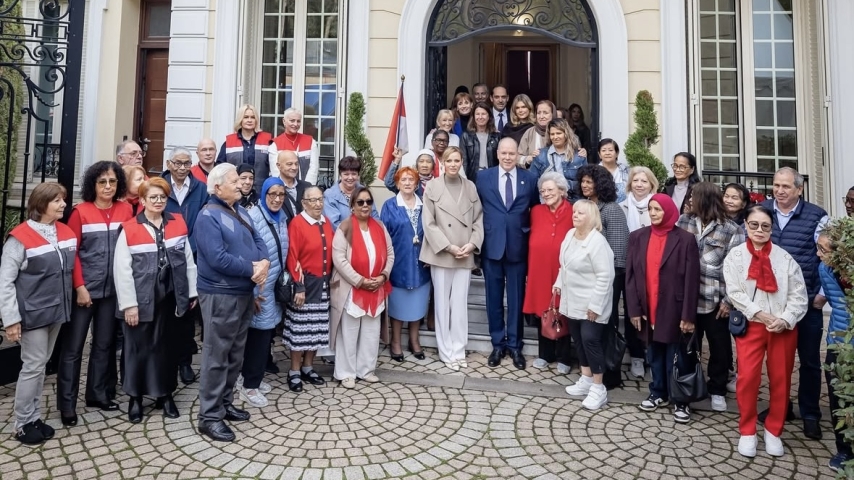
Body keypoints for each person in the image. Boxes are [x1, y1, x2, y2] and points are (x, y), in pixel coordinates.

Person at [724, 204, 808, 458]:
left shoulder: (784, 258)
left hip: (782, 328)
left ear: (772, 228)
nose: (759, 230)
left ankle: (774, 430)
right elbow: (734, 292)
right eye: (754, 225)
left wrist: (785, 319)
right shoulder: (736, 257)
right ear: (746, 226)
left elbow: (799, 295)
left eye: (765, 226)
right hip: (752, 325)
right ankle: (747, 430)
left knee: (781, 380)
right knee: (748, 379)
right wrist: (758, 313)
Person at [194, 163, 270, 443]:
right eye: (235, 181)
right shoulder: (207, 216)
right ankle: (209, 417)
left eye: (240, 180)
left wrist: (264, 262)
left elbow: (259, 240)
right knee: (217, 356)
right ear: (217, 188)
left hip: (242, 295)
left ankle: (224, 403)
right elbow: (217, 258)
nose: (241, 184)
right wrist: (252, 269)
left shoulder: (239, 211)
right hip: (220, 295)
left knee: (234, 354)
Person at [114, 178, 197, 423]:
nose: (158, 201)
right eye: (153, 197)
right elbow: (122, 270)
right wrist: (129, 304)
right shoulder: (129, 228)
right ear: (142, 201)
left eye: (162, 197)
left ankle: (165, 394)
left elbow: (188, 260)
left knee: (167, 348)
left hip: (171, 297)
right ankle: (135, 398)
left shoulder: (177, 223)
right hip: (141, 299)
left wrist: (191, 293)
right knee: (137, 349)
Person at [57, 161, 133, 427]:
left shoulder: (126, 209)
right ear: (93, 184)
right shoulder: (80, 212)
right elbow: (72, 252)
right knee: (73, 348)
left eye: (112, 181)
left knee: (104, 345)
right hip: (84, 290)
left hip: (112, 291)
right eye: (102, 182)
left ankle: (97, 394)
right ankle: (67, 404)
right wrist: (79, 286)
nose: (108, 187)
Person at [1, 183, 76, 444]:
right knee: (32, 366)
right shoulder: (19, 237)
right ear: (41, 203)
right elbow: (5, 282)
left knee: (40, 365)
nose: (63, 204)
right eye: (57, 200)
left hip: (56, 311)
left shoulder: (65, 232)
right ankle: (21, 423)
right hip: (32, 315)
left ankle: (33, 417)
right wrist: (11, 320)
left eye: (63, 199)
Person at [759, 167, 828, 440]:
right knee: (777, 361)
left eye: (786, 186)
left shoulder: (817, 216)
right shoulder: (762, 211)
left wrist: (822, 293)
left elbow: (827, 256)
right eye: (776, 185)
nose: (780, 190)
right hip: (773, 303)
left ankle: (810, 413)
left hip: (808, 302)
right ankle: (781, 407)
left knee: (809, 360)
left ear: (799, 189)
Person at [626, 194, 701, 423]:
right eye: (651, 209)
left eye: (658, 209)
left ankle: (680, 399)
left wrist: (688, 315)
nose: (654, 213)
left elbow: (691, 280)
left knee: (676, 355)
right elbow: (630, 276)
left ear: (668, 211)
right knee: (654, 352)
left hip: (674, 307)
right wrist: (634, 310)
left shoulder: (686, 239)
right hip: (648, 305)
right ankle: (658, 392)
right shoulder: (638, 237)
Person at [675, 182, 745, 412]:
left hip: (715, 301)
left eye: (694, 196)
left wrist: (728, 300)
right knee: (687, 346)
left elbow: (737, 269)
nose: (690, 200)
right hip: (686, 299)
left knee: (719, 348)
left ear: (705, 199)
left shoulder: (731, 230)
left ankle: (717, 389)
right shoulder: (683, 222)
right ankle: (689, 388)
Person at [476, 137, 539, 370]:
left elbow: (535, 209)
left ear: (517, 155)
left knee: (515, 299)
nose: (508, 157)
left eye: (512, 153)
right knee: (493, 299)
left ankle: (515, 346)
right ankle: (497, 344)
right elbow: (477, 208)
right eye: (504, 153)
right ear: (497, 154)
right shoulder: (483, 178)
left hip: (518, 246)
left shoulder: (530, 179)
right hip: (491, 246)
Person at [420, 147, 484, 370]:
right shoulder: (433, 186)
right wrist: (448, 247)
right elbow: (428, 223)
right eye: (450, 160)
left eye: (457, 160)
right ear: (443, 163)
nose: (454, 164)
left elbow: (478, 219)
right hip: (442, 253)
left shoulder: (470, 187)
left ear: (462, 162)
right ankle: (445, 350)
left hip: (464, 253)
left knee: (459, 304)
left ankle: (459, 348)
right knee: (442, 304)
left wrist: (473, 244)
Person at [330, 187, 394, 388]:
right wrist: (360, 280)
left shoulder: (380, 227)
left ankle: (366, 369)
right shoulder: (345, 227)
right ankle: (346, 372)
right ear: (352, 206)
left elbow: (390, 254)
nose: (365, 205)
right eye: (360, 202)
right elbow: (339, 259)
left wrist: (383, 276)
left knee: (371, 331)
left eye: (368, 202)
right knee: (349, 331)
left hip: (376, 287)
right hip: (352, 288)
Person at [555, 200, 615, 410]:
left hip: (591, 303)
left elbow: (606, 276)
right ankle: (586, 378)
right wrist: (557, 284)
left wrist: (596, 305)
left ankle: (599, 388)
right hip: (572, 300)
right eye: (574, 212)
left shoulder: (597, 242)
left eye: (581, 213)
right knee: (578, 340)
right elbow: (564, 265)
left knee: (590, 340)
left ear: (591, 217)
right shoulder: (570, 235)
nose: (575, 215)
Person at [238, 178, 289, 407]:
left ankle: (247, 377)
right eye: (272, 194)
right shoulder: (254, 218)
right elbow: (248, 255)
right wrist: (252, 291)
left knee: (263, 336)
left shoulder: (282, 217)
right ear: (264, 194)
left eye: (281, 195)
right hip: (260, 289)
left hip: (272, 287)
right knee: (258, 338)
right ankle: (250, 386)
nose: (277, 199)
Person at [577, 164, 630, 384]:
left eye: (590, 181)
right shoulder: (587, 207)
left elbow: (619, 252)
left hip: (609, 278)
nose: (585, 185)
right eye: (583, 181)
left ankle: (610, 374)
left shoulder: (611, 209)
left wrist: (610, 284)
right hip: (588, 279)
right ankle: (591, 372)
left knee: (606, 326)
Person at [162, 148, 210, 384]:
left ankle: (185, 362)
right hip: (163, 259)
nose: (182, 168)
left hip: (192, 256)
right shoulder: (159, 186)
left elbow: (205, 219)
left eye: (187, 163)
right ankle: (165, 361)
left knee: (188, 312)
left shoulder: (200, 188)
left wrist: (189, 246)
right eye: (178, 163)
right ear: (169, 164)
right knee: (166, 311)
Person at [283, 186, 334, 392]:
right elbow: (292, 256)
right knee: (300, 331)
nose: (317, 204)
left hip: (324, 285)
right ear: (303, 203)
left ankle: (308, 367)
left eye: (320, 199)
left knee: (316, 329)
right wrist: (299, 286)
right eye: (312, 200)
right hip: (305, 286)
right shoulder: (297, 223)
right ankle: (294, 371)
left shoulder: (326, 222)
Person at [523, 172, 574, 373]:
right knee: (542, 309)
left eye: (550, 190)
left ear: (562, 190)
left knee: (562, 311)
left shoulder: (573, 211)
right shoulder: (535, 211)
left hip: (563, 272)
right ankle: (545, 354)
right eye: (543, 191)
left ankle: (564, 357)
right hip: (539, 270)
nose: (546, 194)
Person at [381, 167, 431, 362]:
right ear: (398, 183)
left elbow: (432, 232)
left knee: (418, 304)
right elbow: (384, 235)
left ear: (417, 184)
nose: (408, 183)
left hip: (421, 262)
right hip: (398, 262)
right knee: (398, 305)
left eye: (411, 179)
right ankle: (395, 342)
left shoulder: (425, 205)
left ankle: (414, 340)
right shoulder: (389, 205)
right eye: (404, 179)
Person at [817, 231, 853, 472]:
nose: (818, 254)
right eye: (818, 248)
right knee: (838, 399)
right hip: (837, 344)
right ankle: (845, 450)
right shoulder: (824, 269)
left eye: (824, 250)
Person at [619, 166, 660, 375]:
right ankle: (636, 355)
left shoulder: (658, 206)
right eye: (636, 181)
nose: (639, 185)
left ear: (651, 184)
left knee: (654, 310)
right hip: (630, 266)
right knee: (631, 310)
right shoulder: (622, 207)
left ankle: (653, 355)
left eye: (644, 181)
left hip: (654, 267)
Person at [216, 104, 273, 193]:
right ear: (240, 120)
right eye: (246, 117)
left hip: (261, 192)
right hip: (235, 192)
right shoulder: (229, 142)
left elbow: (275, 168)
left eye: (253, 117)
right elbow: (220, 168)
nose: (249, 120)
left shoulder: (268, 141)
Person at [530, 119, 587, 200]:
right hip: (548, 202)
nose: (555, 137)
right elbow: (532, 182)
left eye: (559, 133)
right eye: (552, 134)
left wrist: (564, 185)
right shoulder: (540, 155)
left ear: (566, 134)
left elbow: (585, 183)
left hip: (573, 202)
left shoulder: (579, 155)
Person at [323, 156, 378, 230]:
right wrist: (357, 235)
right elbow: (334, 224)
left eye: (354, 174)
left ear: (358, 175)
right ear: (340, 175)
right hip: (341, 238)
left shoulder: (364, 192)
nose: (350, 177)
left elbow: (374, 217)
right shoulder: (330, 195)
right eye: (346, 174)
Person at [268, 108, 320, 185]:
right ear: (284, 121)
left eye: (298, 121)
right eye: (292, 121)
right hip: (284, 190)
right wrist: (285, 189)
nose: (295, 124)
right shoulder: (275, 144)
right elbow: (276, 171)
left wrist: (307, 187)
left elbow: (314, 168)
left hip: (306, 190)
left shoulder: (310, 141)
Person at [460, 102, 500, 182]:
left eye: (483, 114)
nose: (480, 117)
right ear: (473, 117)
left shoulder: (496, 136)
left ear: (489, 116)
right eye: (477, 114)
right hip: (473, 177)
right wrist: (464, 180)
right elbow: (463, 161)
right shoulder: (466, 136)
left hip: (492, 176)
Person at [276, 150, 311, 223]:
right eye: (289, 164)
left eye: (296, 164)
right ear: (279, 166)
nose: (294, 167)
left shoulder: (307, 187)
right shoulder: (273, 188)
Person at [518, 100, 555, 168]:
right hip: (533, 175)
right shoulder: (529, 133)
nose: (541, 116)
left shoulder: (561, 132)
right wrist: (528, 159)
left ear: (553, 114)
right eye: (538, 113)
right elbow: (517, 158)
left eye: (545, 113)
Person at [598, 139, 630, 203]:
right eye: (604, 150)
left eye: (610, 150)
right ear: (599, 154)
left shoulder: (627, 170)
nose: (607, 153)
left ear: (617, 153)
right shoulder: (594, 171)